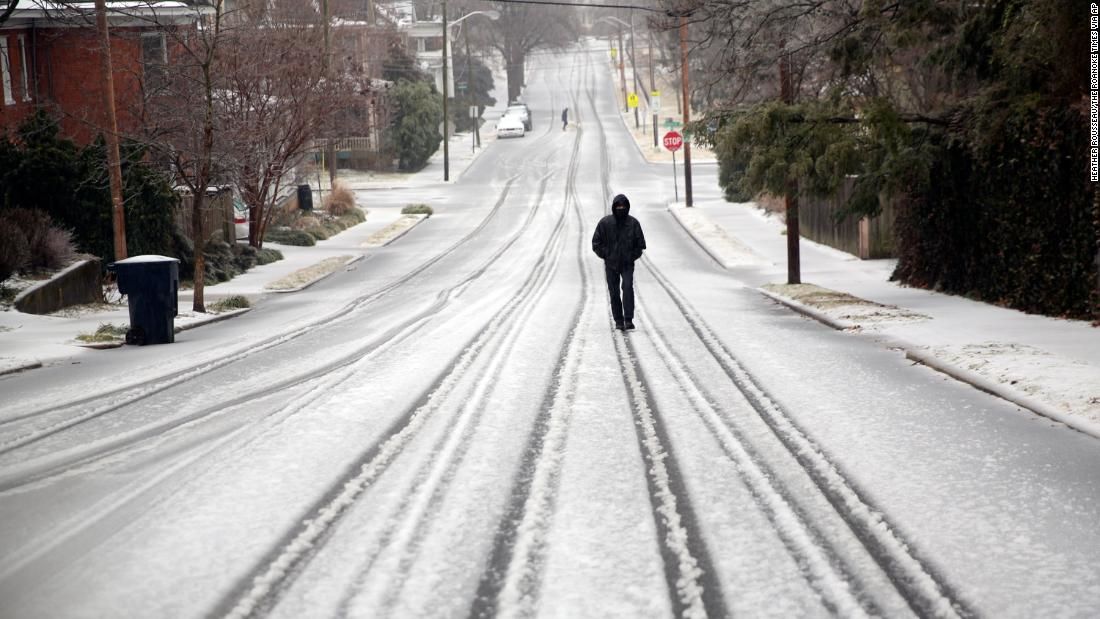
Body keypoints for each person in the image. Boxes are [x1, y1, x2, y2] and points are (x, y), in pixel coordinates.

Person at [592, 194, 646, 330]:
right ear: (614, 207)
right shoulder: (605, 223)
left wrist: (631, 256)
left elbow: (640, 245)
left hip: (627, 264)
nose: (621, 209)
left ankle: (628, 318)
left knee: (627, 288)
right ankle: (618, 320)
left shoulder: (633, 224)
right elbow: (596, 243)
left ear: (627, 207)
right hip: (611, 264)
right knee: (614, 292)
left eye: (623, 206)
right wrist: (607, 255)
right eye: (618, 206)